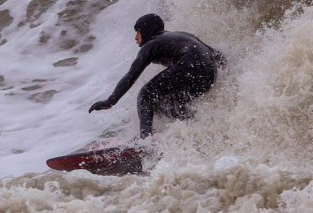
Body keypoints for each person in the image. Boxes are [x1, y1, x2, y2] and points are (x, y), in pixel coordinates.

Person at [89, 13, 224, 138]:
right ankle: (198, 128)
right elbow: (218, 56)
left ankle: (146, 138)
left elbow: (131, 75)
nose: (135, 37)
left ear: (146, 30)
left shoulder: (151, 44)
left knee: (145, 95)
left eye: (138, 31)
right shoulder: (183, 35)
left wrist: (110, 101)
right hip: (209, 74)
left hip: (189, 66)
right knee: (166, 104)